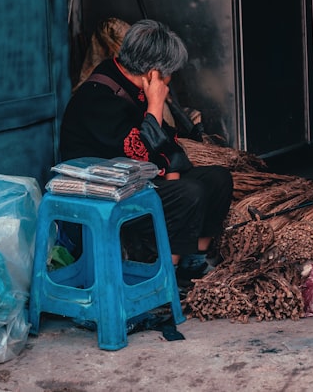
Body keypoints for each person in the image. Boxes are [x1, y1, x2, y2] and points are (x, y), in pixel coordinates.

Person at [59, 19, 233, 285]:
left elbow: (164, 147)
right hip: (106, 193)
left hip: (135, 180)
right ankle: (166, 279)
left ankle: (194, 261)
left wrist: (173, 169)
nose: (171, 78)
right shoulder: (99, 99)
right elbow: (139, 154)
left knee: (218, 179)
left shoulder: (130, 84)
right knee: (189, 193)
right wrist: (155, 104)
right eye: (169, 72)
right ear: (153, 73)